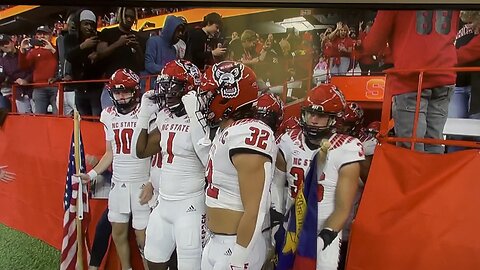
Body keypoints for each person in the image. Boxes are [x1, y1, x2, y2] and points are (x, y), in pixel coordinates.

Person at [274, 84, 364, 270]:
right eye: (310, 114)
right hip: (290, 227)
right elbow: (276, 186)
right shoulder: (289, 141)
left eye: (321, 115)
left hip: (323, 233)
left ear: (333, 119)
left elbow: (342, 208)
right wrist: (277, 223)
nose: (313, 120)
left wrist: (320, 242)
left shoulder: (347, 148)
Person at [196, 61, 276, 269]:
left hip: (236, 245)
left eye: (208, 96)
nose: (204, 102)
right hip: (216, 241)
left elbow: (256, 209)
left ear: (229, 95)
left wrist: (239, 259)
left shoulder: (248, 133)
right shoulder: (228, 129)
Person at [132, 59, 207, 270]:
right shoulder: (165, 116)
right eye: (164, 84)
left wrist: (196, 116)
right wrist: (144, 114)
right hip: (164, 203)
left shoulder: (205, 118)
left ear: (190, 87)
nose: (167, 91)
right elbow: (141, 151)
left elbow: (208, 161)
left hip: (191, 205)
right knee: (153, 260)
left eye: (174, 85)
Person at [76, 68, 150, 270]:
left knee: (143, 238)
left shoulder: (147, 112)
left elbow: (157, 153)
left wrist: (153, 183)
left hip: (142, 180)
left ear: (135, 91)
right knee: (118, 233)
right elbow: (110, 152)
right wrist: (91, 174)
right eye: (117, 92)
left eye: (126, 91)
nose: (121, 96)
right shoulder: (108, 115)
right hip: (119, 183)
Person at [360, 10, 459, 153]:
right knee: (434, 143)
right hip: (444, 75)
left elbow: (372, 45)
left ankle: (414, 175)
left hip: (411, 79)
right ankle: (433, 174)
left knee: (411, 148)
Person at [96, 7, 145, 108]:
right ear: (119, 16)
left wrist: (137, 48)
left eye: (132, 17)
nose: (129, 19)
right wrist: (118, 43)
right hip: (112, 84)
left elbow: (142, 64)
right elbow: (100, 54)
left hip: (132, 87)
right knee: (109, 117)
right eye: (126, 16)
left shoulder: (138, 37)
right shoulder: (108, 33)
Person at [18, 25, 58, 114]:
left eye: (45, 34)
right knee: (40, 116)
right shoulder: (33, 52)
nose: (42, 36)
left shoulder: (56, 48)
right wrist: (22, 51)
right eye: (39, 34)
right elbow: (23, 66)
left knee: (58, 115)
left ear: (51, 35)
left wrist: (52, 49)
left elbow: (61, 62)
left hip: (55, 86)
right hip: (39, 87)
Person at [144, 15, 186, 87]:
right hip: (152, 86)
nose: (180, 34)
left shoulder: (173, 49)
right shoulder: (153, 41)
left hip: (167, 87)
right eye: (178, 30)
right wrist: (170, 70)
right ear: (170, 29)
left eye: (181, 31)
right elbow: (149, 65)